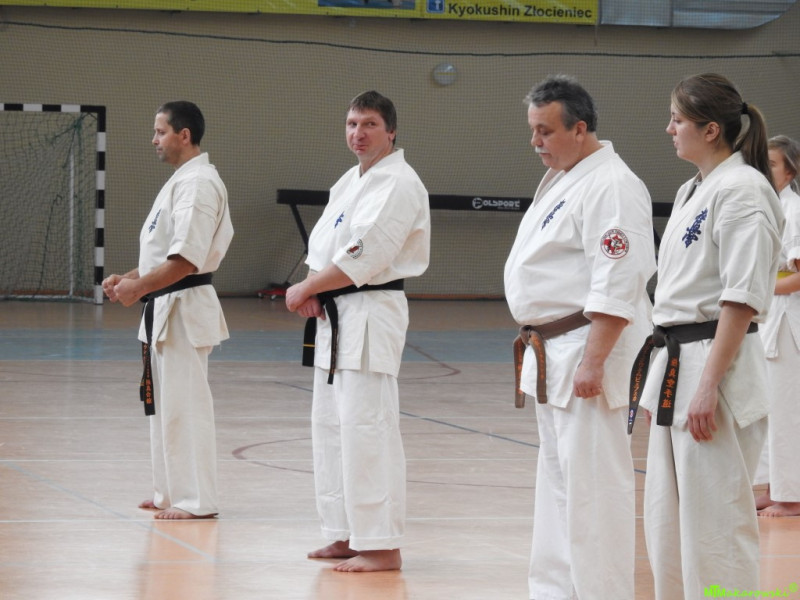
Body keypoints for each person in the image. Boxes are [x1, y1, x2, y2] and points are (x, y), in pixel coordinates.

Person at [504, 74, 656, 600]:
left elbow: (619, 279)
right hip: (555, 348)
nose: (536, 141)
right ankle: (556, 591)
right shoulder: (568, 177)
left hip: (587, 347)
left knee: (593, 491)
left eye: (545, 131)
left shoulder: (612, 185)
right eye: (533, 130)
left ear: (580, 128)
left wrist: (594, 361)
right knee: (559, 485)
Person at [636, 74, 783, 597]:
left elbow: (740, 299)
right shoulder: (692, 189)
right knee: (667, 521)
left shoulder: (745, 190)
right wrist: (660, 387)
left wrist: (706, 385)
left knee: (715, 525)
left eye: (677, 119)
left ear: (711, 129)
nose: (669, 129)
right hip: (678, 358)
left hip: (715, 364)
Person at [284, 91, 430, 572]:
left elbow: (366, 252)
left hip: (371, 311)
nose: (358, 133)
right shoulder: (350, 181)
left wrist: (308, 287)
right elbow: (323, 247)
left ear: (391, 131)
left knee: (368, 428)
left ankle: (382, 545)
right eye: (351, 124)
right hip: (336, 314)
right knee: (331, 427)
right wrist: (312, 287)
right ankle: (345, 533)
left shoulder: (400, 183)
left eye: (369, 124)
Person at [101, 101, 233, 520]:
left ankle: (196, 500)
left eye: (160, 132)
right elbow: (165, 255)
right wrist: (130, 278)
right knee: (164, 407)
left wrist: (138, 288)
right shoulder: (181, 181)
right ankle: (170, 492)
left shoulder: (199, 185)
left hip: (183, 308)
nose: (154, 140)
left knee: (186, 407)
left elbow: (187, 260)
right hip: (164, 307)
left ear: (184, 135)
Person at [753, 135, 800, 517]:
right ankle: (774, 488)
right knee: (769, 408)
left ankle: (792, 496)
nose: (765, 170)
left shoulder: (794, 211)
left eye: (771, 164)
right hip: (770, 318)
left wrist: (759, 287)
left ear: (790, 172)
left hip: (788, 320)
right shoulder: (768, 207)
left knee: (787, 410)